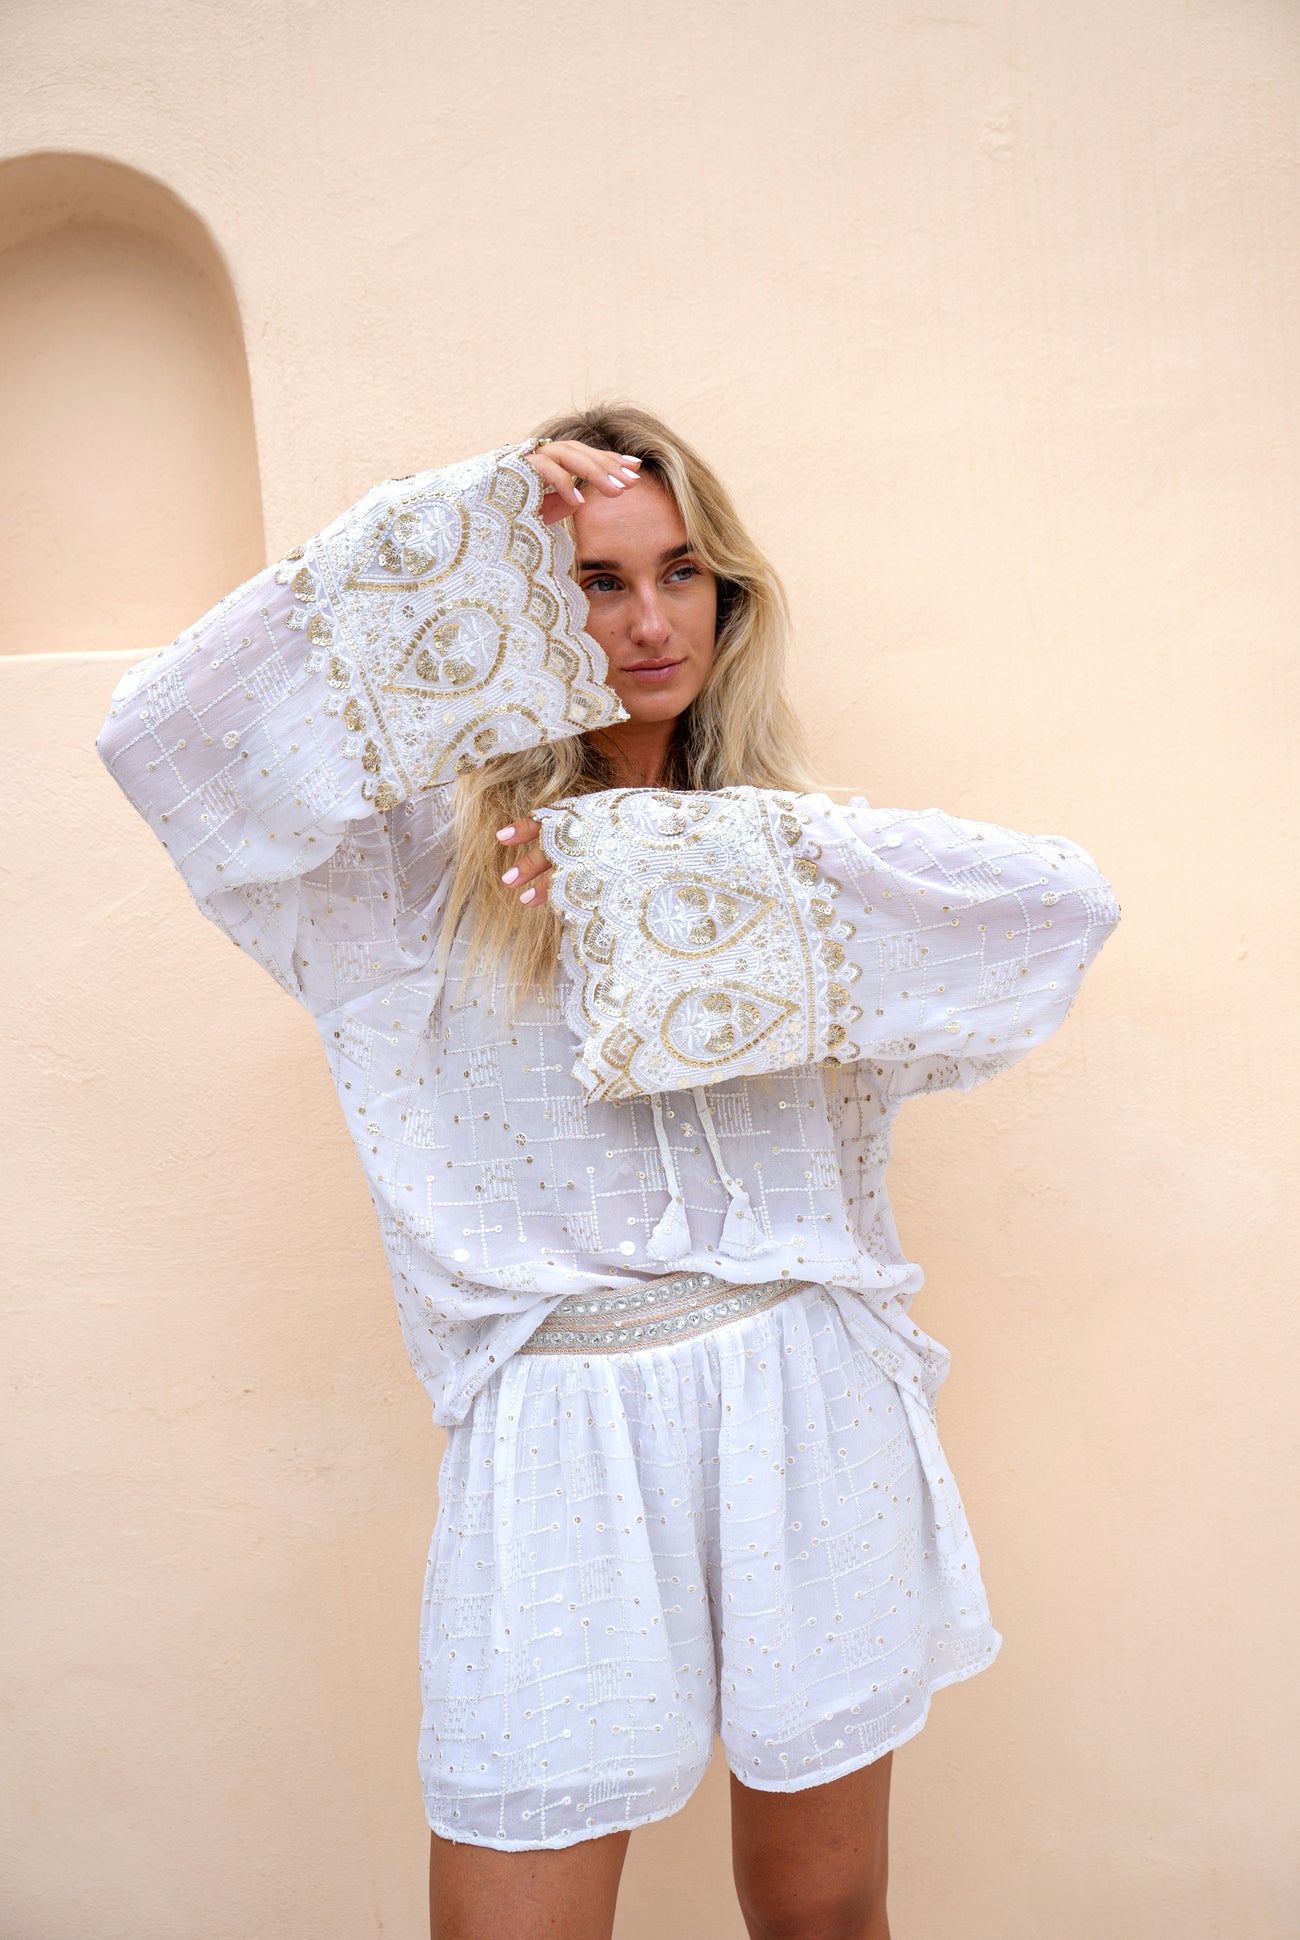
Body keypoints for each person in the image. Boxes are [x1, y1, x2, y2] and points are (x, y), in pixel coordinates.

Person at [95, 402, 1119, 1940]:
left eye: (682, 573)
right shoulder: (391, 880)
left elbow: (1058, 910)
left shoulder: (795, 859)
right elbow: (162, 741)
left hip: (806, 1400)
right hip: (557, 1424)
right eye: (595, 580)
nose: (650, 622)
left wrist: (663, 873)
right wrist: (446, 525)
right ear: (520, 598)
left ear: (727, 595)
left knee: (826, 1918)